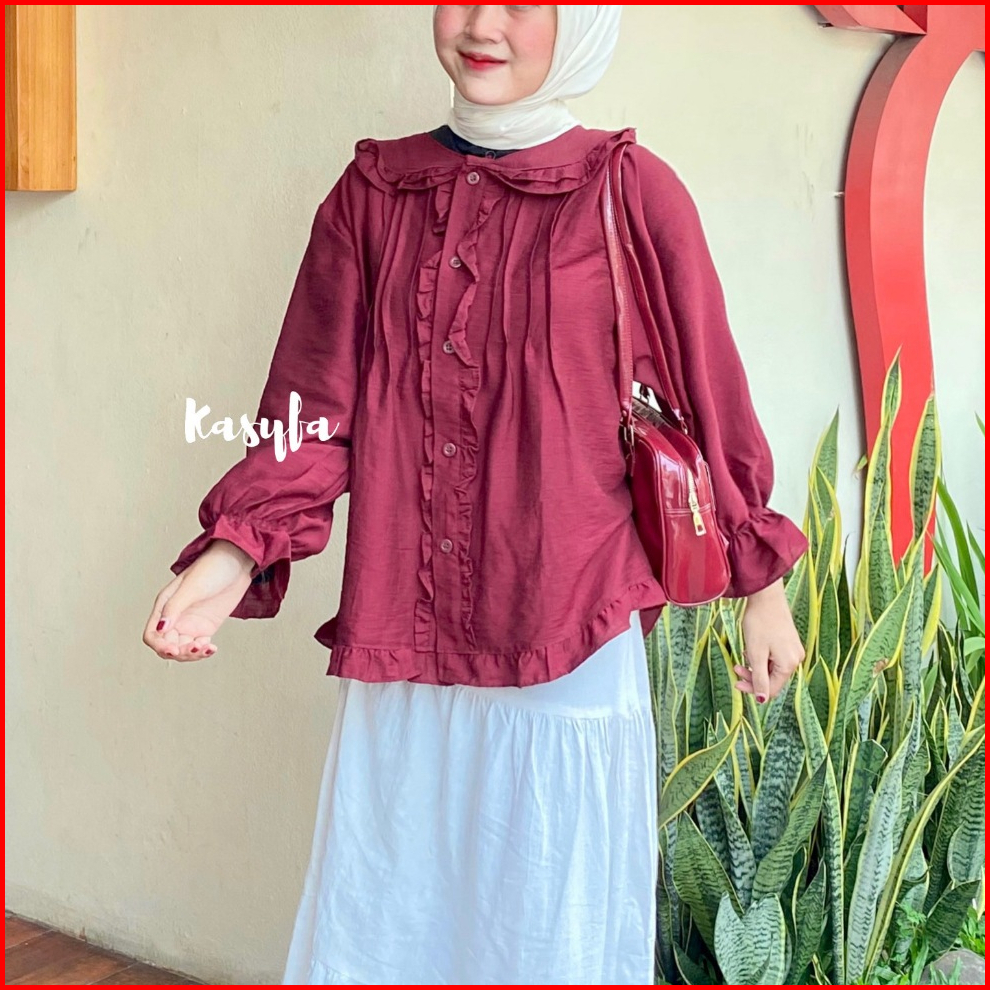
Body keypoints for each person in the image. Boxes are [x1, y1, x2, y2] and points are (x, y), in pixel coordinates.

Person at [143, 6, 808, 985]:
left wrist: (761, 586)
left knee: (545, 930)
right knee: (393, 919)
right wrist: (234, 554)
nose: (483, 23)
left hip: (567, 634)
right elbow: (312, 406)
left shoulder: (630, 189)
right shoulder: (373, 194)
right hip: (406, 638)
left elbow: (709, 394)